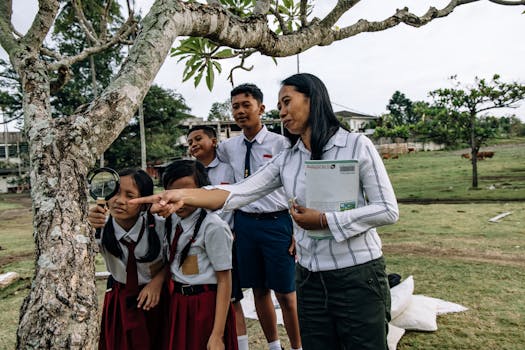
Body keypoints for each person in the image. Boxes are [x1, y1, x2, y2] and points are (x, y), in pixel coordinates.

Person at [131, 73, 399, 350]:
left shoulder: (356, 145)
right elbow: (240, 191)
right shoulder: (289, 158)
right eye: (279, 105)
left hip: (356, 274)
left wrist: (324, 220)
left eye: (286, 102)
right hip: (309, 278)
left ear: (313, 99)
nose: (281, 111)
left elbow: (388, 210)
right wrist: (182, 195)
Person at [216, 83, 302, 350]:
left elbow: (299, 187)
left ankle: (298, 346)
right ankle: (273, 346)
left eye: (246, 105)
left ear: (261, 109)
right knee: (258, 291)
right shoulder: (228, 147)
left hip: (277, 223)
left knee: (286, 294)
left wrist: (297, 231)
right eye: (235, 107)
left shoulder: (282, 144)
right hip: (245, 225)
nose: (240, 111)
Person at [87, 168, 168, 350]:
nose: (119, 201)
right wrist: (87, 226)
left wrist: (157, 282)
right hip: (120, 300)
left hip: (155, 299)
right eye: (114, 193)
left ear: (145, 202)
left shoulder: (160, 226)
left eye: (130, 195)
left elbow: (175, 258)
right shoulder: (98, 227)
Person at [162, 160, 238, 350]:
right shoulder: (170, 220)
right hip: (179, 302)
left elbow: (224, 280)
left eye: (188, 192)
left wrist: (217, 334)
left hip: (206, 307)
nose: (181, 198)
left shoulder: (213, 226)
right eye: (174, 192)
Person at [186, 125, 249, 350]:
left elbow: (241, 199)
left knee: (233, 299)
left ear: (214, 141)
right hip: (195, 244)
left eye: (198, 138)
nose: (193, 144)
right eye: (190, 142)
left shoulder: (228, 169)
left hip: (226, 241)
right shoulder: (189, 174)